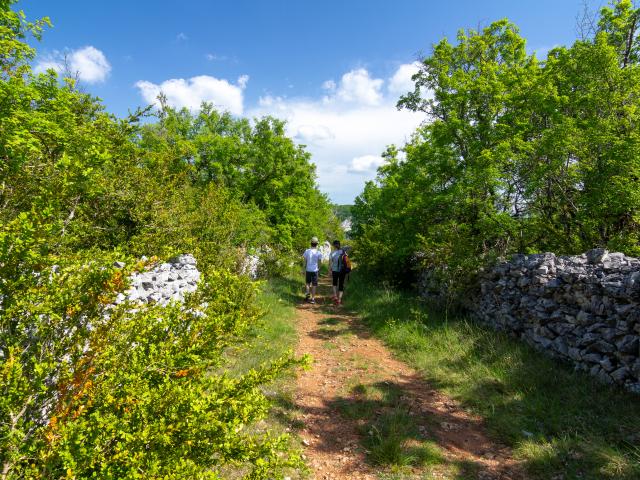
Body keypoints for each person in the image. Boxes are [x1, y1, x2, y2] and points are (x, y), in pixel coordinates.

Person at [302, 236, 323, 304]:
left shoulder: (307, 251)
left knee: (307, 283)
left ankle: (307, 293)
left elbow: (305, 261)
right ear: (317, 244)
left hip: (308, 270)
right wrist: (319, 269)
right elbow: (320, 263)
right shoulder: (318, 252)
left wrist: (303, 269)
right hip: (315, 270)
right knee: (314, 285)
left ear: (311, 243)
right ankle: (313, 299)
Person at [329, 240, 347, 305]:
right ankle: (339, 299)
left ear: (334, 245)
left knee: (334, 283)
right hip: (342, 271)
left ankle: (335, 296)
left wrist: (329, 270)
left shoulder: (332, 253)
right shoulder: (343, 252)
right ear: (339, 245)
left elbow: (330, 263)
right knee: (341, 284)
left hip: (335, 270)